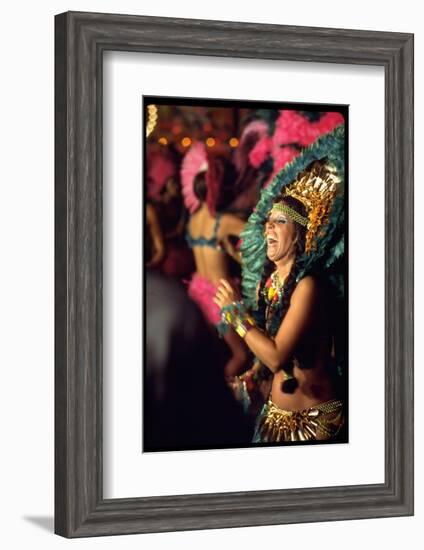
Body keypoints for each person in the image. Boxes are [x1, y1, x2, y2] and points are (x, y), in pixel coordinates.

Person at [214, 126, 346, 443]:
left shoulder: (308, 287)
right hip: (273, 416)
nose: (268, 228)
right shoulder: (272, 283)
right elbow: (268, 356)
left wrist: (235, 315)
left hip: (313, 425)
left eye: (280, 222)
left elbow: (277, 355)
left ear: (301, 235)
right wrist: (255, 375)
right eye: (268, 222)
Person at [145, 271, 253, 451]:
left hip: (200, 287)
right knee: (240, 354)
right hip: (219, 291)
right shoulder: (170, 305)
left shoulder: (163, 299)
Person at [181, 142, 249, 378]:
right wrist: (235, 254)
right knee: (241, 356)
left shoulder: (192, 221)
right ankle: (218, 400)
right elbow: (261, 234)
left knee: (209, 356)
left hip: (197, 294)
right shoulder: (223, 221)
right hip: (221, 298)